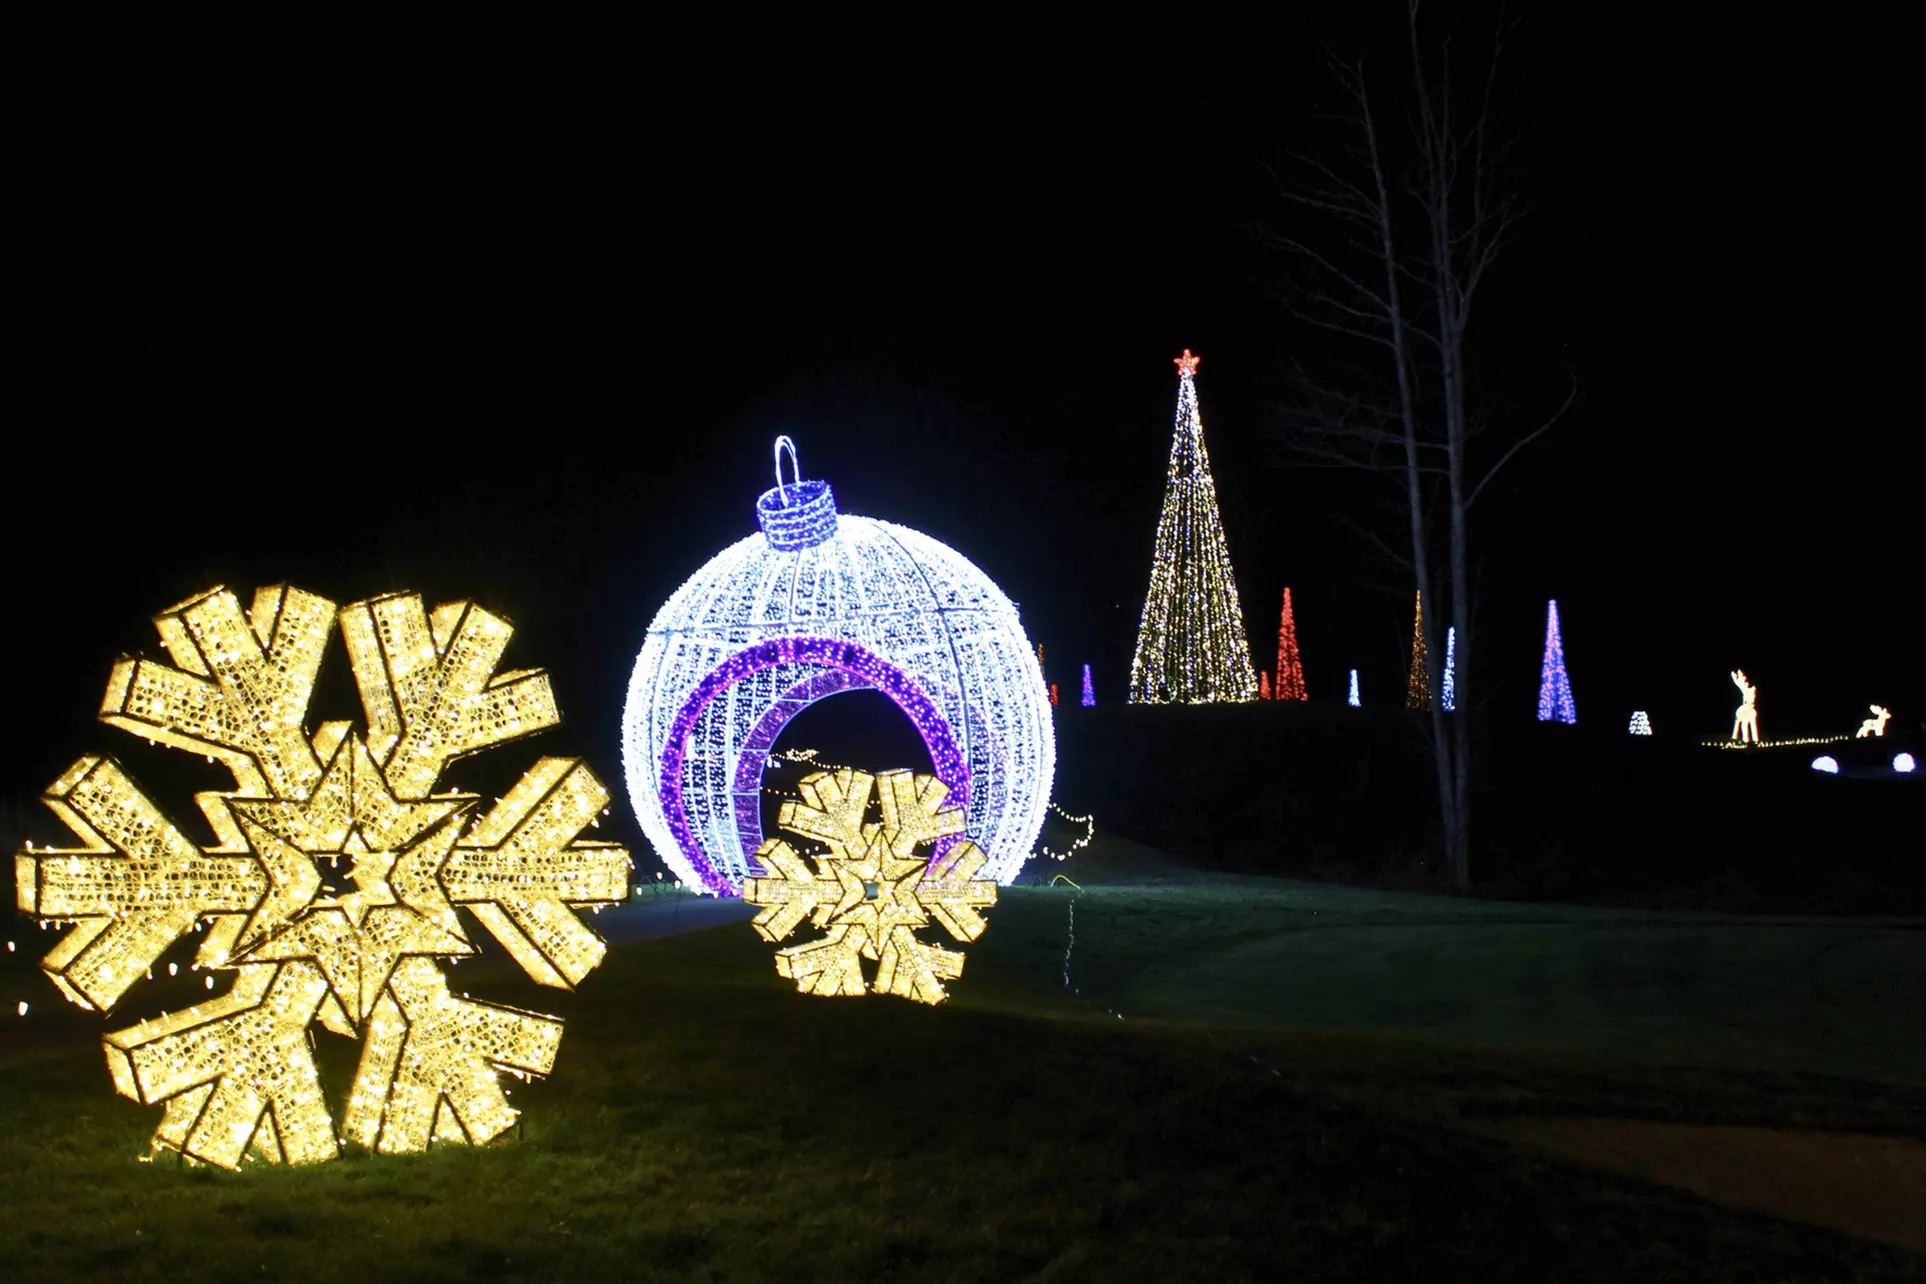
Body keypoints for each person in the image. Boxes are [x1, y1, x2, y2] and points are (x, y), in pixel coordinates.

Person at [1730, 669, 1759, 744]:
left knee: (1750, 724)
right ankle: (1748, 740)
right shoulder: (1748, 689)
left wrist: (1738, 676)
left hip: (1749, 708)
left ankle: (1753, 739)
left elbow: (1741, 684)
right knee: (1745, 723)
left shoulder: (1750, 689)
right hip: (1746, 708)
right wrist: (1736, 676)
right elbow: (1739, 684)